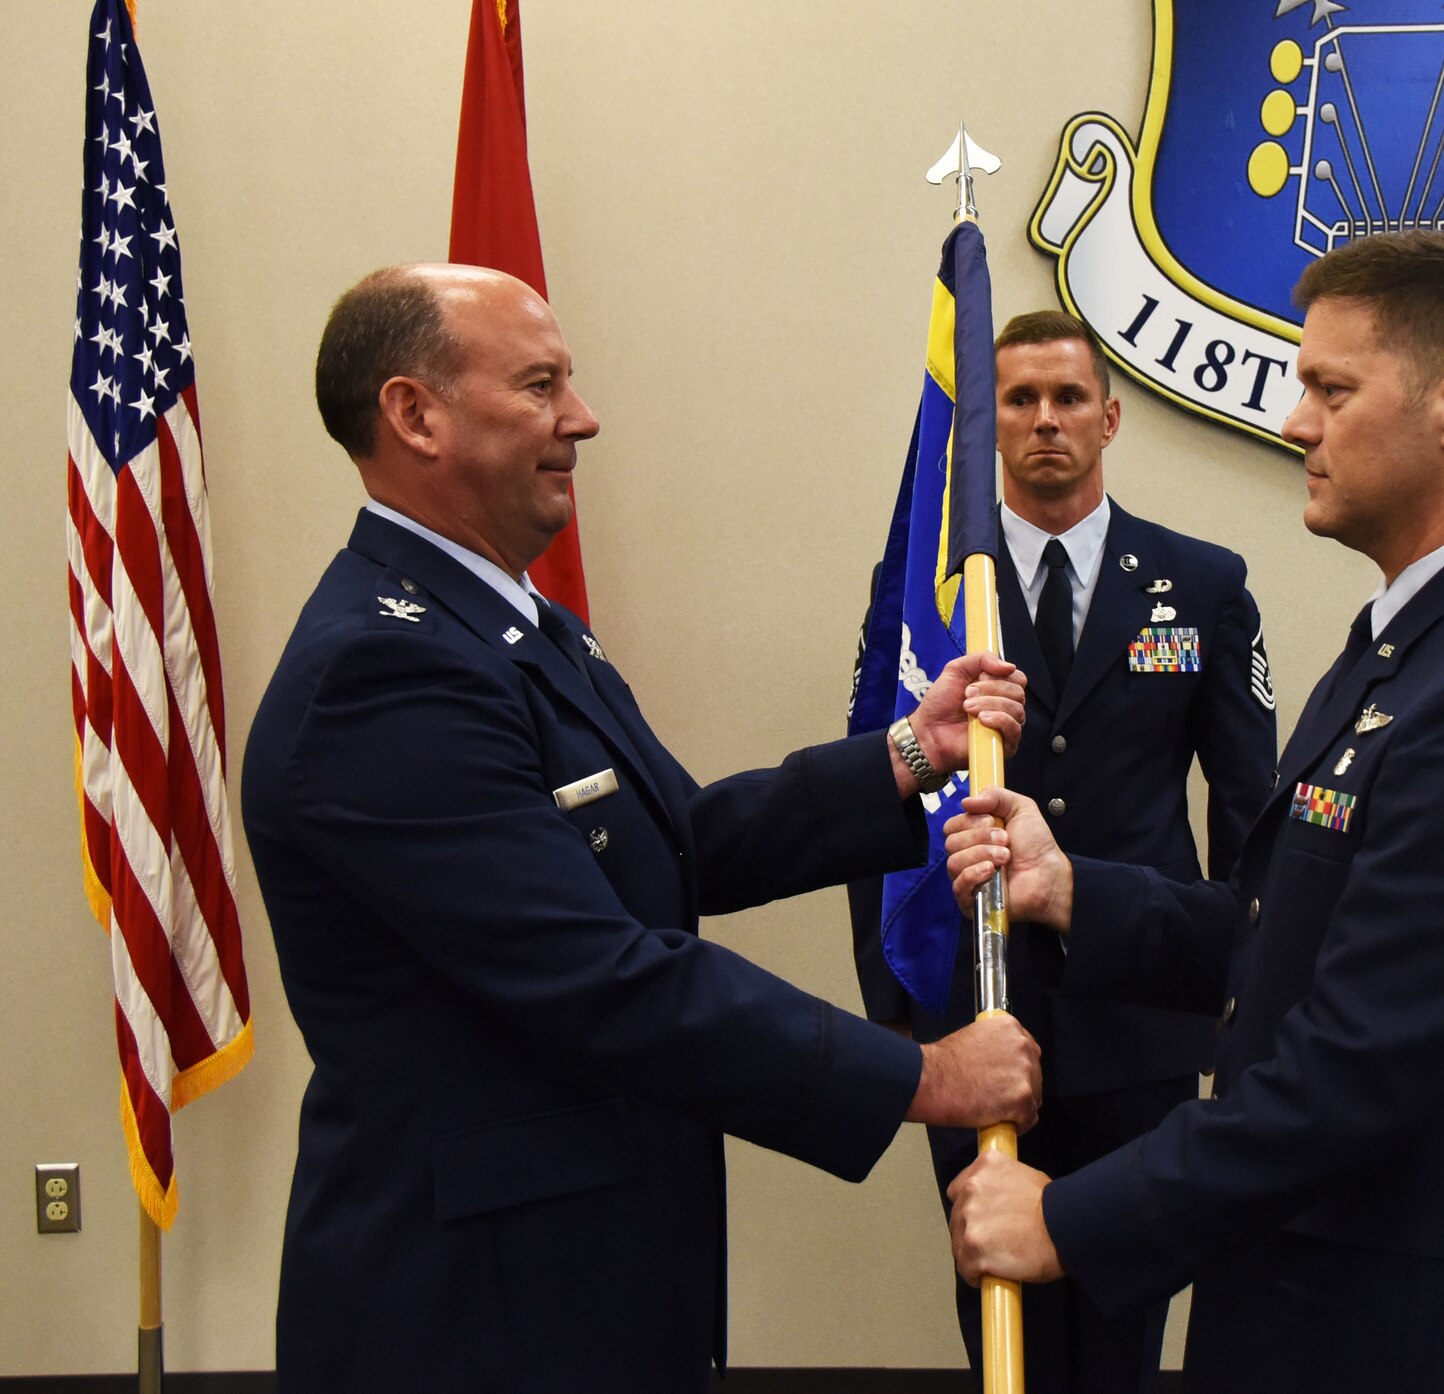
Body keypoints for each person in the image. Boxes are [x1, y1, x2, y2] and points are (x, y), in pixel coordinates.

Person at [242, 264, 1041, 1394]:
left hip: (582, 1270)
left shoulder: (514, 623)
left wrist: (909, 754)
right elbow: (600, 973)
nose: (583, 416)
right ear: (414, 413)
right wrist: (918, 1075)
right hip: (477, 1311)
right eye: (539, 385)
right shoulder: (384, 669)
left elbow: (674, 841)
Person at [942, 231, 1444, 1392]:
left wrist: (1074, 1215)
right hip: (1308, 1289)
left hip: (1400, 1325)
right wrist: (1076, 891)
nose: (1294, 422)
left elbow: (1354, 1064)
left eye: (1330, 388)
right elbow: (1289, 936)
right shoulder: (1405, 648)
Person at [848, 311, 1277, 1391]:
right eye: (1019, 399)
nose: (1045, 419)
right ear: (987, 426)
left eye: (1068, 398)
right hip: (977, 1009)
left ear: (1111, 416)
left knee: (1123, 1306)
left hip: (1138, 1011)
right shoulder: (939, 590)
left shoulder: (1204, 582)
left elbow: (1246, 811)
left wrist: (1245, 994)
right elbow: (877, 788)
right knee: (995, 1307)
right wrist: (889, 996)